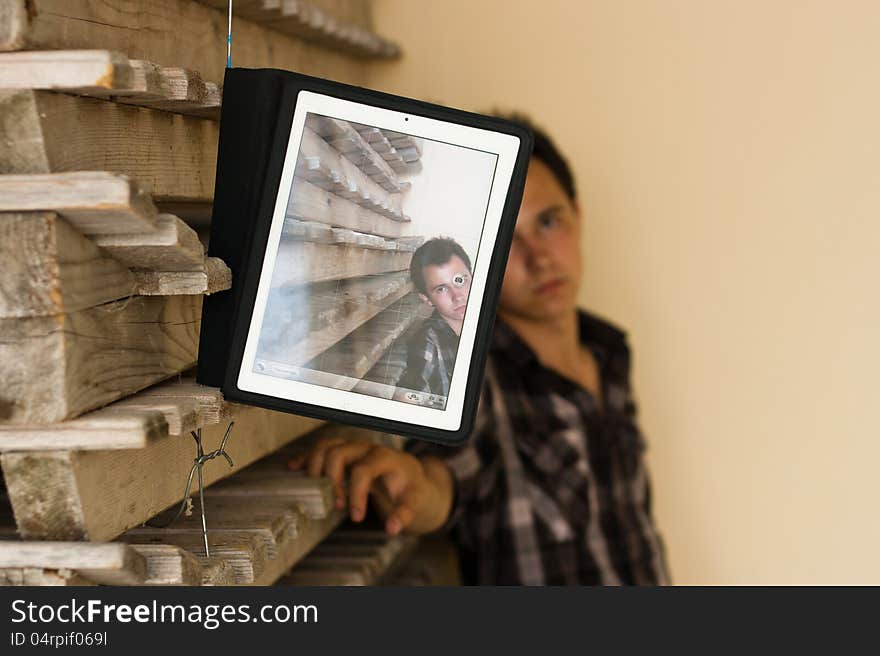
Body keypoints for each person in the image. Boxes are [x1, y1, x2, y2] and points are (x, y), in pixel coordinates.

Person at [289, 116, 669, 585]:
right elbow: (445, 482)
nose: (540, 258)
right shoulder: (475, 375)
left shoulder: (609, 355)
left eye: (548, 222)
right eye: (509, 239)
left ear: (578, 213)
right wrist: (412, 483)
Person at [393, 238, 472, 404]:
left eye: (460, 280)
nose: (457, 296)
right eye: (441, 289)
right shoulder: (427, 342)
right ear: (427, 299)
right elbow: (409, 394)